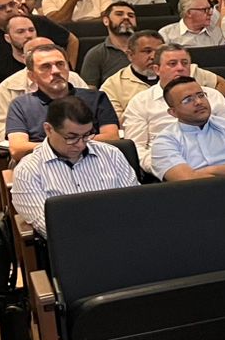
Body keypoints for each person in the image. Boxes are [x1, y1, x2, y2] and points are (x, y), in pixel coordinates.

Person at [10, 95, 140, 238]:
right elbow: (50, 228)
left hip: (123, 236)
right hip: (70, 247)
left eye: (86, 135)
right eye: (71, 137)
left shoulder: (111, 154)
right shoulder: (28, 171)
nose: (80, 144)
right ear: (48, 129)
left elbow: (135, 203)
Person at [123, 44, 225, 171]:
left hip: (220, 162)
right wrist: (164, 166)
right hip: (168, 167)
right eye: (172, 64)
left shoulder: (212, 95)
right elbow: (136, 148)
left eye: (185, 63)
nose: (180, 68)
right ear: (157, 69)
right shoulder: (140, 102)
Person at [5, 44, 120, 159]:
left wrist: (61, 143)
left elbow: (111, 137)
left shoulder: (96, 98)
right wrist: (66, 144)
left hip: (94, 163)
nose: (56, 71)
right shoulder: (21, 105)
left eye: (60, 64)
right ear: (32, 76)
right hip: (42, 169)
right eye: (46, 66)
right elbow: (18, 149)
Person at [148, 76, 225, 182]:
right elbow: (186, 180)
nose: (199, 102)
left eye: (201, 95)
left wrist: (209, 170)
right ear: (173, 112)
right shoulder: (164, 142)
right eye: (188, 100)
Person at [100, 31, 225, 118]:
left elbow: (221, 82)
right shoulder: (113, 84)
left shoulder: (188, 70)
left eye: (158, 51)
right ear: (130, 55)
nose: (153, 56)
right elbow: (115, 124)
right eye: (147, 51)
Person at [0, 37, 92, 122]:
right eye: (46, 66)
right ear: (25, 59)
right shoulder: (7, 87)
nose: (55, 71)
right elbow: (2, 129)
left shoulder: (73, 78)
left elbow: (91, 111)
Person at [78, 2, 139, 86]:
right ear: (106, 21)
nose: (126, 17)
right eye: (119, 14)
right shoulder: (96, 54)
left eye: (131, 15)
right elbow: (90, 92)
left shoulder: (149, 49)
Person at [159, 0, 225, 48]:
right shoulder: (166, 34)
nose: (211, 13)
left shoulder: (217, 32)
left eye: (210, 8)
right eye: (205, 10)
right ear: (188, 13)